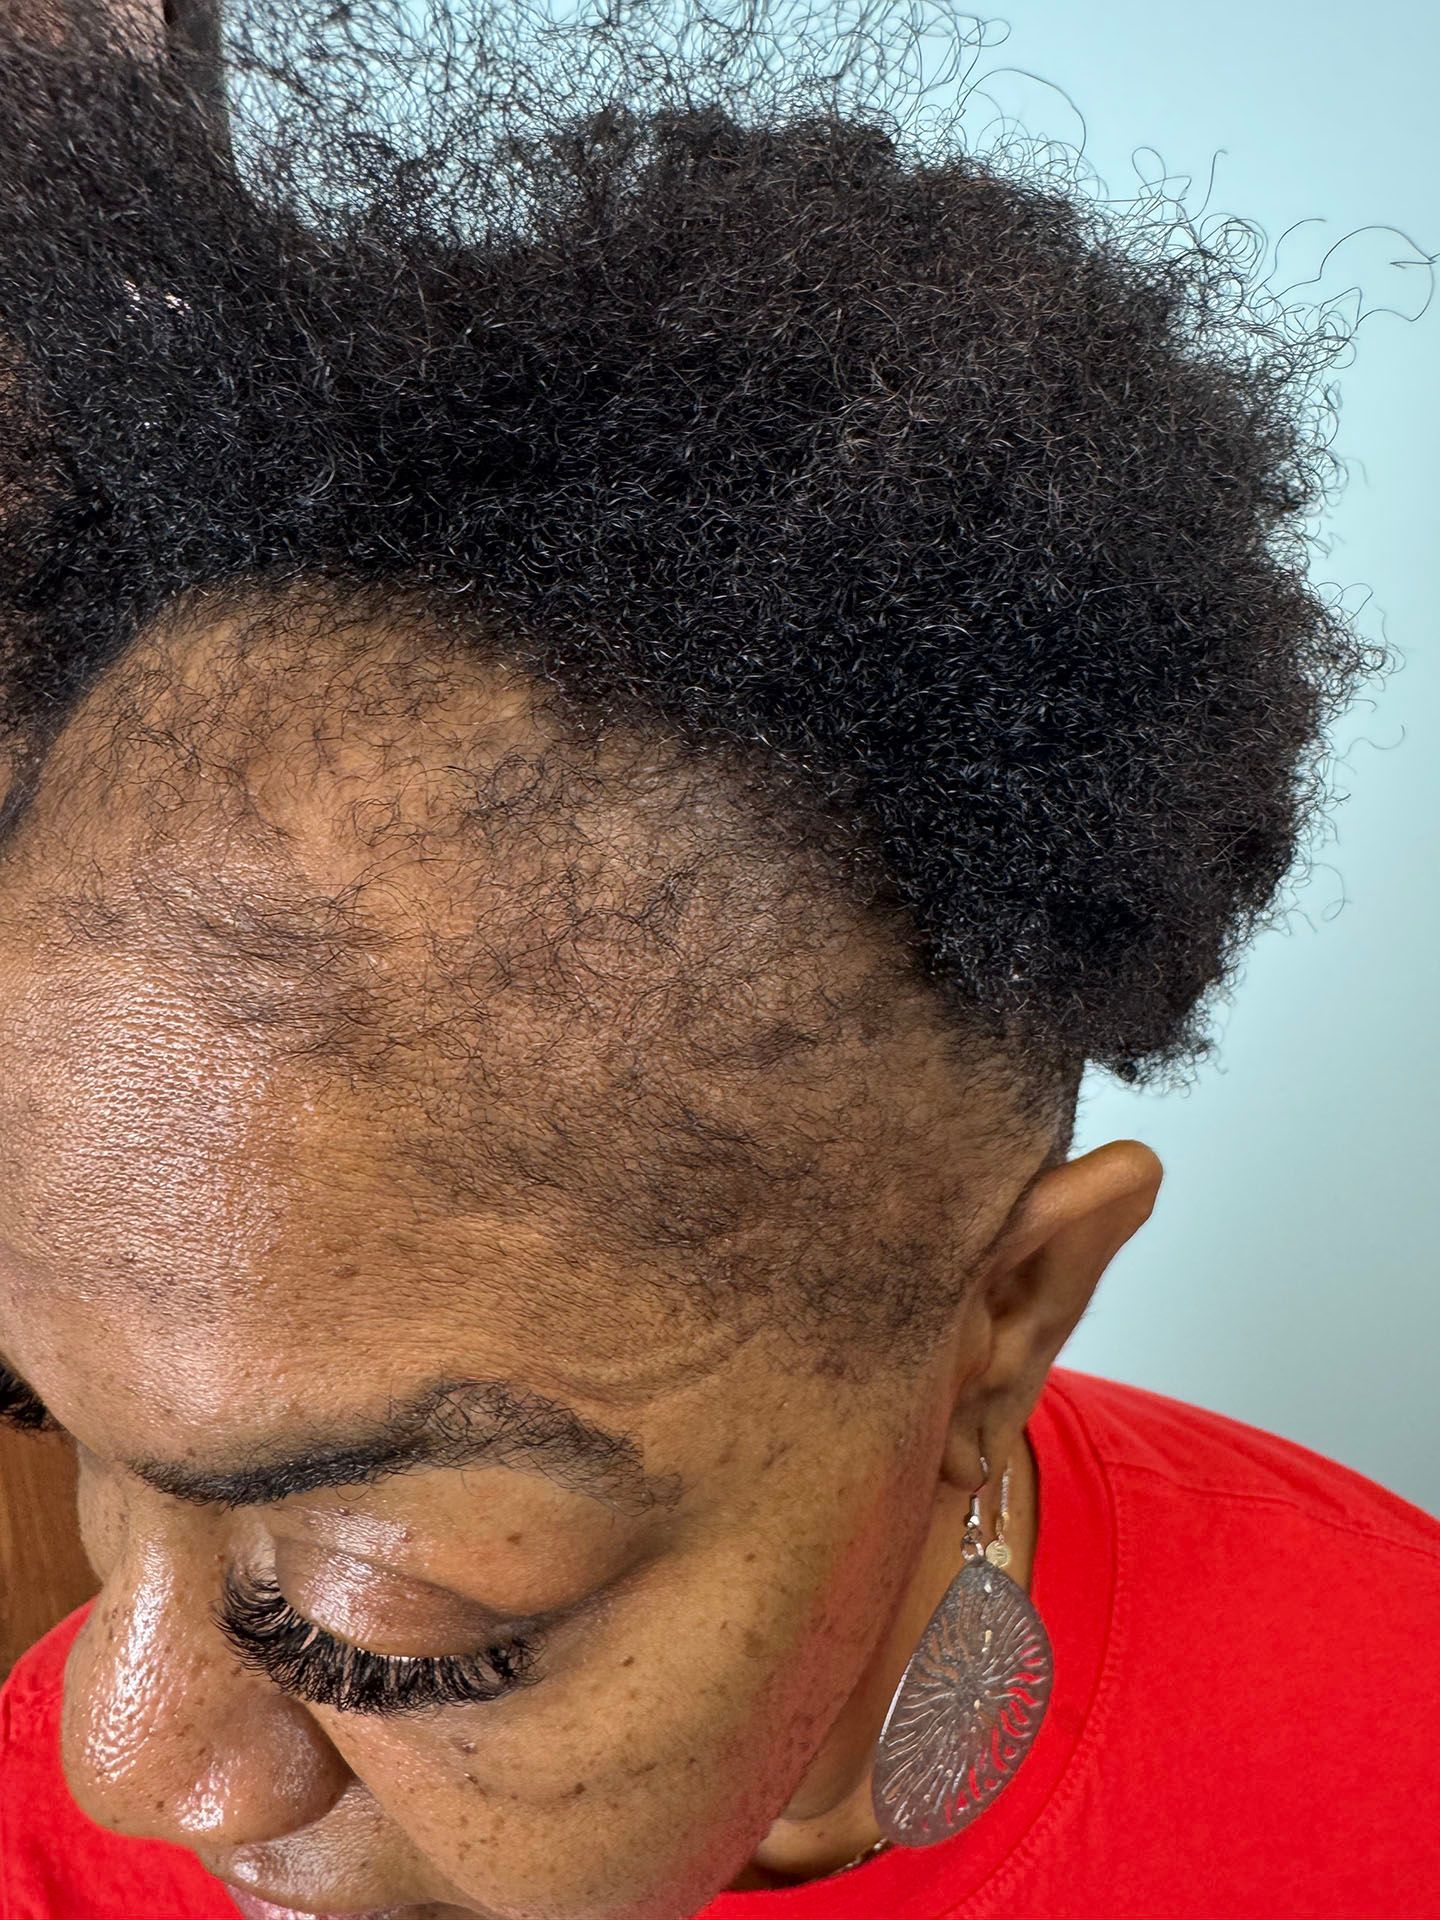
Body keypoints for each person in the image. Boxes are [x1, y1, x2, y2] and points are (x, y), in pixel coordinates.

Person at [0, 3, 1436, 1918]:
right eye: (55, 1426)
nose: (128, 1766)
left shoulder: (1386, 1767)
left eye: (389, 1619)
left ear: (1008, 1312)